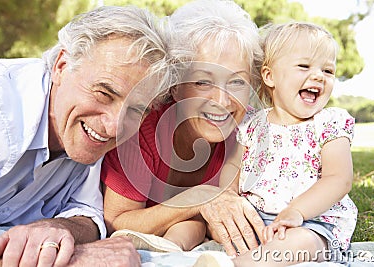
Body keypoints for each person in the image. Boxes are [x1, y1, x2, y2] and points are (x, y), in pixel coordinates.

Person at [0, 5, 171, 266]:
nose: (113, 128)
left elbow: (88, 213)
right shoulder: (0, 105)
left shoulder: (87, 131)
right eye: (104, 94)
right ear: (62, 66)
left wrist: (58, 229)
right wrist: (73, 258)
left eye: (135, 110)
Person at [101, 0, 264, 253]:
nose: (222, 102)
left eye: (237, 82)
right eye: (202, 82)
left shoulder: (254, 133)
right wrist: (198, 198)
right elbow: (116, 221)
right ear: (174, 85)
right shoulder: (141, 126)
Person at [214, 21, 358, 266]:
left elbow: (339, 178)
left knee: (300, 244)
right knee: (202, 224)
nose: (318, 76)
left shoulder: (329, 123)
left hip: (313, 223)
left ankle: (238, 265)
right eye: (304, 66)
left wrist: (297, 212)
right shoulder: (252, 125)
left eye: (328, 71)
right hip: (256, 219)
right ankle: (171, 250)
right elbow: (233, 169)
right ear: (269, 76)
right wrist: (227, 196)